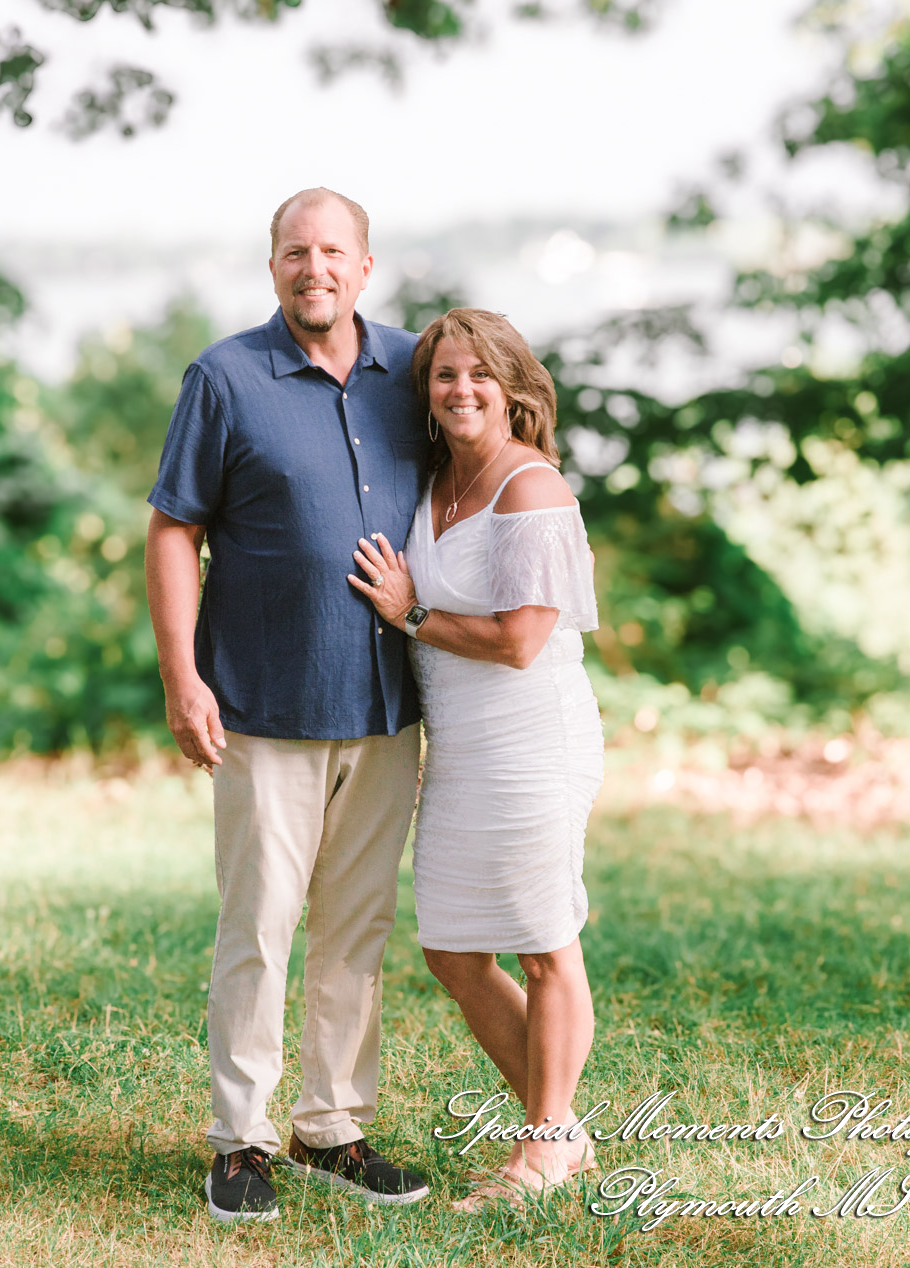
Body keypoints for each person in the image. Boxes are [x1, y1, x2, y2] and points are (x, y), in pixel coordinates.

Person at [145, 187, 431, 1223]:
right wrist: (182, 676)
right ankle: (240, 1140)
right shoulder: (224, 377)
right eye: (296, 252)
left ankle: (333, 1126)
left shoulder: (417, 371)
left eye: (334, 252)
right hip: (264, 705)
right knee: (259, 927)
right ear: (273, 267)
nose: (316, 269)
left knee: (358, 926)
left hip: (389, 706)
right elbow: (173, 529)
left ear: (365, 266)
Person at [347, 308, 604, 1209]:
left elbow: (520, 641)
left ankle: (542, 1149)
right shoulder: (436, 482)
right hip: (460, 748)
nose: (461, 390)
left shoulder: (531, 488)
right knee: (454, 951)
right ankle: (562, 1130)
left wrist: (410, 614)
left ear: (513, 388)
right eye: (444, 375)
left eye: (480, 375)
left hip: (532, 741)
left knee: (543, 944)